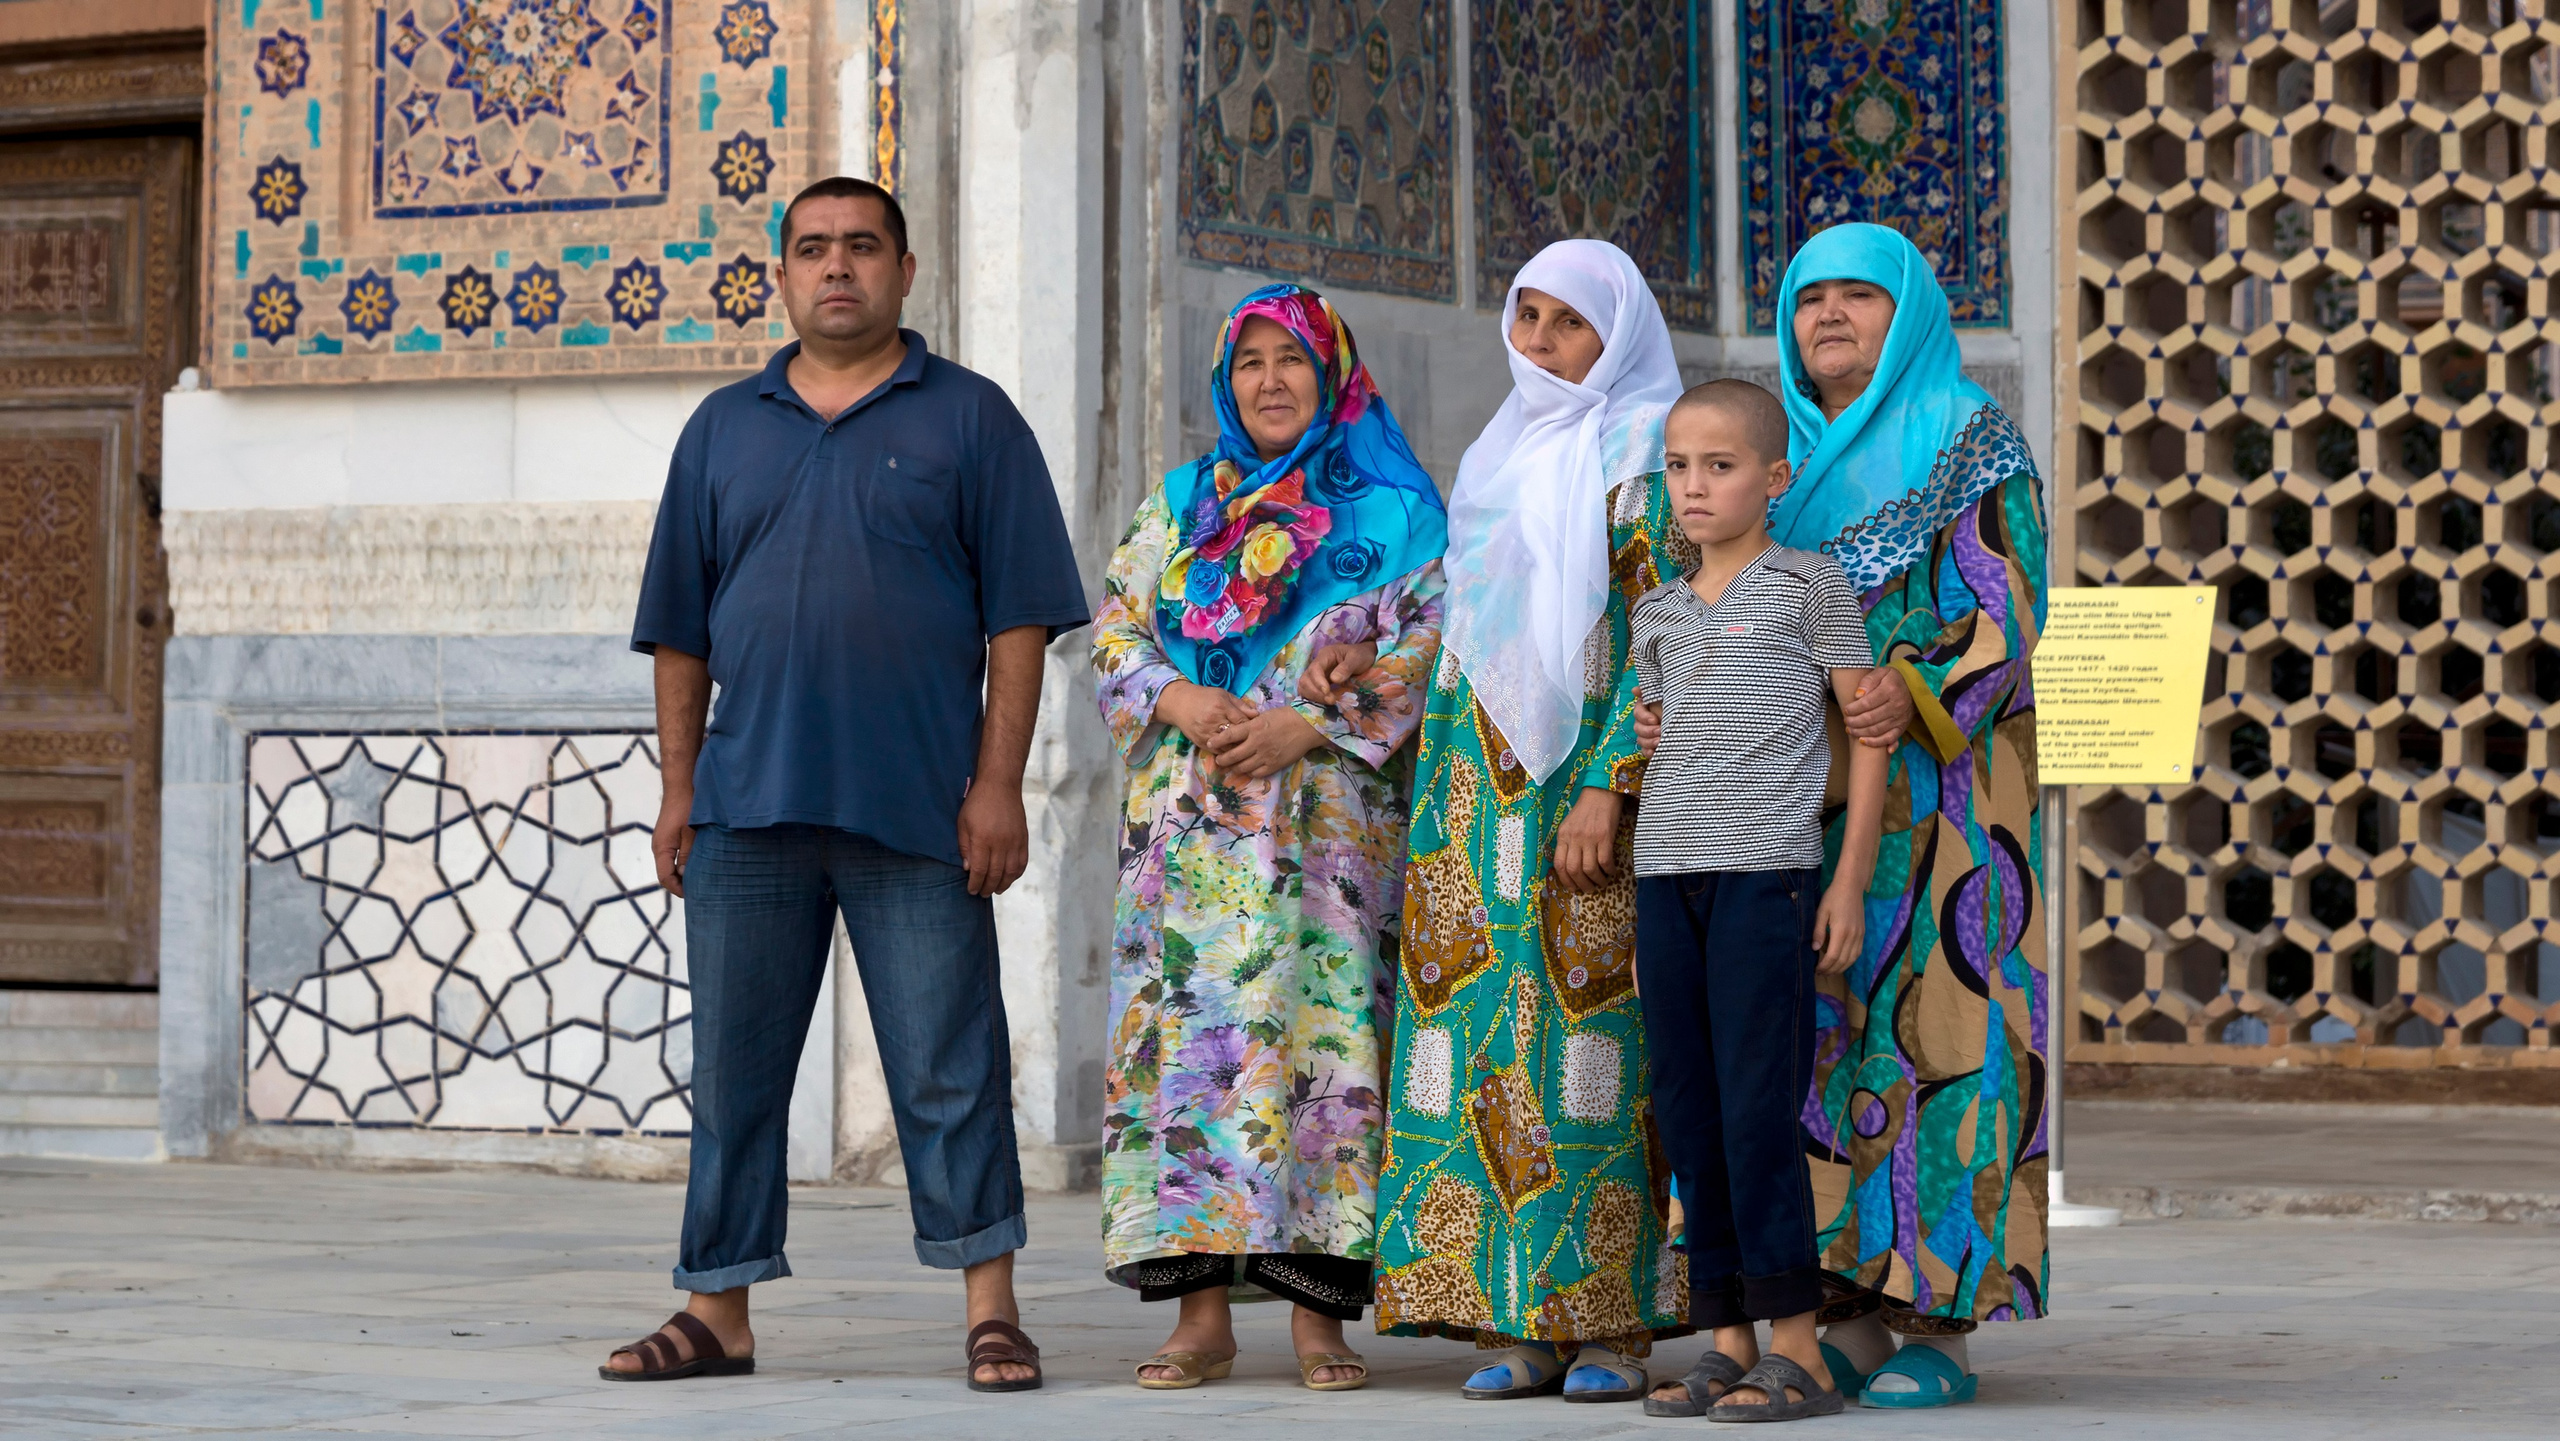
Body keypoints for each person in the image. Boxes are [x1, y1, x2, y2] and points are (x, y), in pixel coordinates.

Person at [613, 176, 1091, 1392]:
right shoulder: (724, 426)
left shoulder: (972, 420)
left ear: (905, 270)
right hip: (745, 807)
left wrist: (1000, 788)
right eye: (813, 249)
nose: (838, 268)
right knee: (732, 1073)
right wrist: (678, 790)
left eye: (861, 248)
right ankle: (715, 1309)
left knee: (948, 1060)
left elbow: (1022, 624)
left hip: (919, 808)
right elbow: (681, 633)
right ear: (780, 275)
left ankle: (991, 1305)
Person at [1640, 221, 2050, 1409]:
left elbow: (2008, 614)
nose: (1828, 316)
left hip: (1943, 808)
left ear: (1910, 310)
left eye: (1858, 295)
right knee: (1807, 1057)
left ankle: (1940, 1321)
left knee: (1939, 1039)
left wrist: (1901, 683)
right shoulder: (1775, 462)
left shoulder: (1967, 440)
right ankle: (1827, 1309)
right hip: (1785, 816)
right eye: (1808, 297)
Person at [1089, 284, 1447, 1393]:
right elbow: (1111, 622)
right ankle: (1201, 1314)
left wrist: (1312, 720)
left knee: (1323, 1056)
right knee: (1195, 1062)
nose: (1268, 382)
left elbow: (1435, 638)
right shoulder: (1183, 501)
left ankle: (1317, 1320)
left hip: (1325, 837)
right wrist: (1176, 698)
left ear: (1333, 371)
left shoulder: (1395, 507)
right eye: (1246, 362)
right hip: (1189, 838)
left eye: (1290, 359)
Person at [1365, 239, 1688, 1404]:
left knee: (1595, 1048)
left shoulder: (1650, 458)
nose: (1541, 343)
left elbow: (1663, 638)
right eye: (1527, 317)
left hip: (1583, 794)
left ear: (1622, 335)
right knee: (1487, 1051)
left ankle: (1608, 1324)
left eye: (1569, 324)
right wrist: (1380, 666)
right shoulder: (1500, 456)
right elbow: (1466, 621)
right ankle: (1517, 1314)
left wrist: (1609, 780)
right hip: (1471, 796)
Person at [1624, 381, 1888, 1423]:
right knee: (1689, 1111)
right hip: (1664, 876)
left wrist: (1849, 878)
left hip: (1764, 876)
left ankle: (1798, 1347)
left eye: (1720, 465)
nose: (1695, 485)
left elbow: (1866, 732)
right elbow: (1657, 735)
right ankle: (1725, 1338)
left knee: (1755, 1110)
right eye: (1679, 466)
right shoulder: (1655, 607)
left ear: (1774, 480)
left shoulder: (1808, 586)